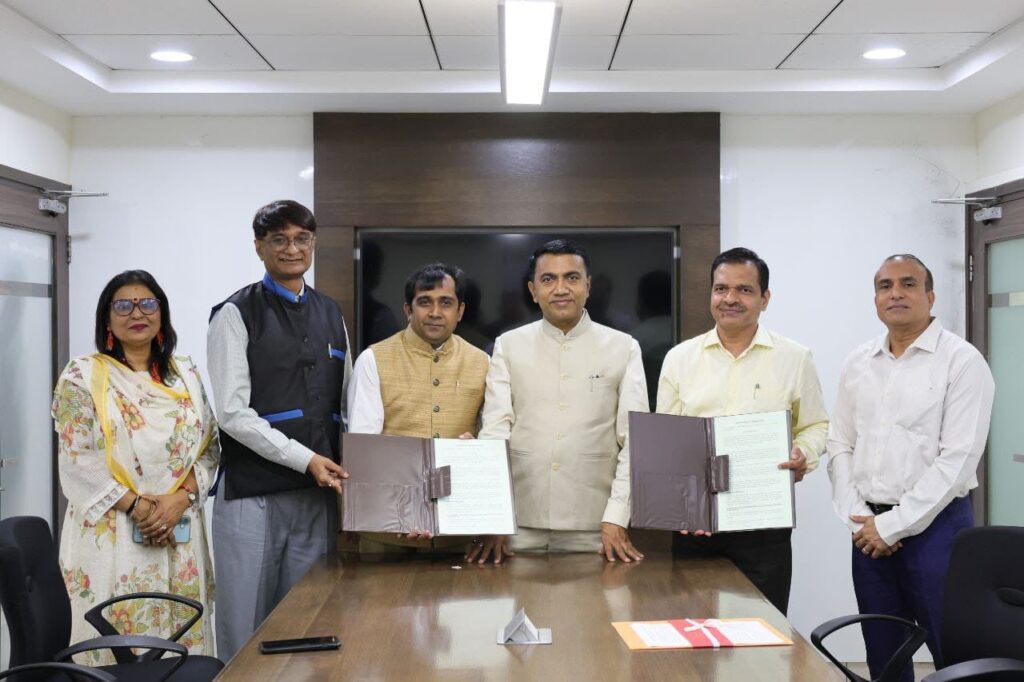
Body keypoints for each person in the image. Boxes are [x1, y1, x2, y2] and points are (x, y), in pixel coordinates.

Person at [827, 254, 994, 682]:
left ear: (930, 296)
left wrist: (894, 526)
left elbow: (958, 459)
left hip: (938, 528)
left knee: (952, 652)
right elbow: (839, 442)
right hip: (868, 531)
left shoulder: (962, 361)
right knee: (885, 654)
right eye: (885, 286)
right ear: (875, 298)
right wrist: (859, 517)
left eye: (908, 284)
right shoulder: (859, 362)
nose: (895, 293)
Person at [207, 199, 351, 661]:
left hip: (316, 497)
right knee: (245, 625)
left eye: (301, 239)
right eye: (279, 240)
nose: (292, 249)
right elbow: (232, 413)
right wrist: (306, 459)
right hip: (254, 495)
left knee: (311, 619)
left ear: (313, 243)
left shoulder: (331, 312)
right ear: (259, 247)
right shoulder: (234, 313)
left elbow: (345, 404)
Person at [52, 270, 219, 664]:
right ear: (107, 321)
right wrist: (141, 508)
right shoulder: (82, 375)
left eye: (147, 303)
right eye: (124, 305)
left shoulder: (185, 373)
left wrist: (180, 499)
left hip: (178, 531)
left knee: (180, 646)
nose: (137, 313)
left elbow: (210, 447)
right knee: (113, 647)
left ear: (162, 313)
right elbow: (77, 458)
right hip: (113, 532)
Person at [656, 247, 828, 614]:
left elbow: (815, 424)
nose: (730, 298)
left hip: (763, 526)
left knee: (763, 631)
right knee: (695, 634)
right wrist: (680, 504)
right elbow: (666, 444)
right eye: (721, 289)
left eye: (744, 290)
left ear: (765, 299)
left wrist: (803, 453)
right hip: (696, 525)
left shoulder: (794, 357)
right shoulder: (680, 359)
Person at [473, 239, 649, 564]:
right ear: (533, 290)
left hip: (597, 527)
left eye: (571, 277)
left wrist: (616, 516)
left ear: (588, 286)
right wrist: (494, 515)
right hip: (515, 525)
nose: (561, 288)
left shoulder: (623, 347)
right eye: (548, 279)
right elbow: (494, 433)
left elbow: (635, 441)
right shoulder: (508, 346)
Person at [347, 262, 489, 552]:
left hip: (460, 530)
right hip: (387, 530)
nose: (435, 312)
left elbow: (491, 441)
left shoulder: (482, 362)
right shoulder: (373, 360)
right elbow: (365, 449)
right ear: (408, 310)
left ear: (460, 311)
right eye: (424, 302)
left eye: (446, 303)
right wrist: (405, 511)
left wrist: (476, 449)